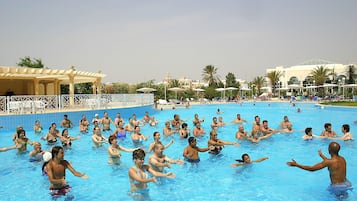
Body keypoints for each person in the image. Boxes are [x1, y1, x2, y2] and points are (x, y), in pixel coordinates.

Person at [286, 142, 352, 196]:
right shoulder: (342, 159)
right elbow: (331, 163)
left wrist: (297, 165)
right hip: (346, 183)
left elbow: (312, 169)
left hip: (337, 187)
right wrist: (322, 156)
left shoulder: (329, 162)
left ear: (329, 150)